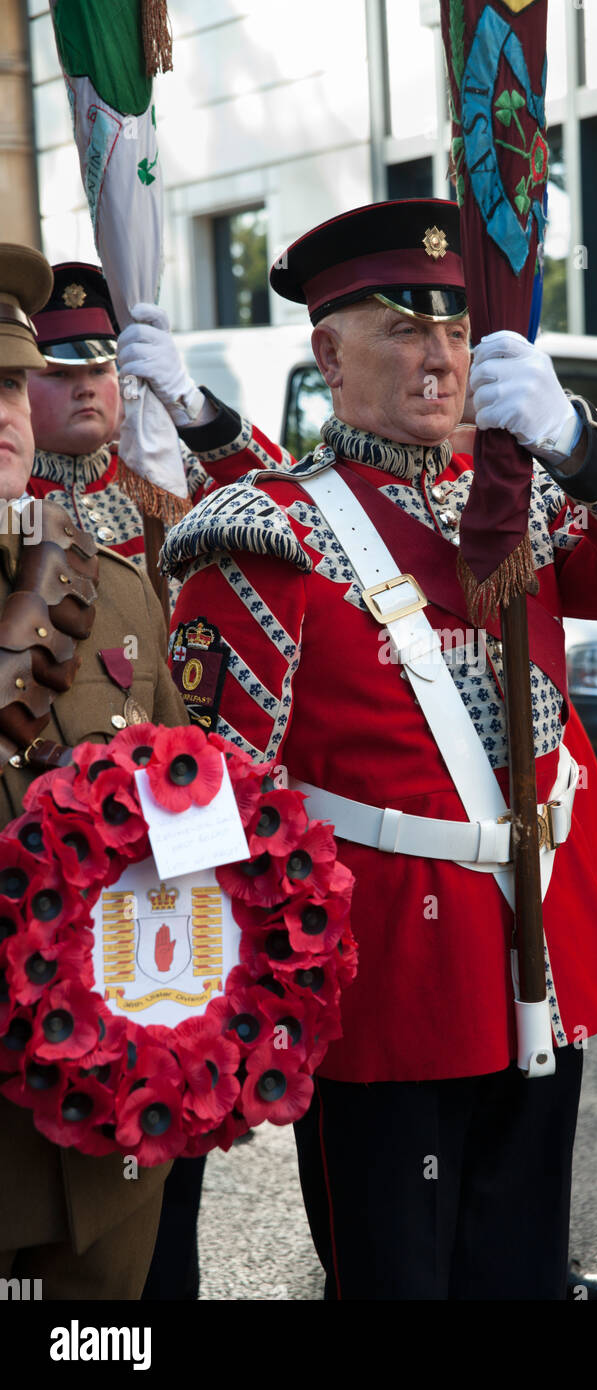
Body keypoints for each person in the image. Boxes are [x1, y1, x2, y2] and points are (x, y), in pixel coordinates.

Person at [130, 198, 597, 1300]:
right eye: (402, 326)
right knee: (396, 1277)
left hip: (537, 945)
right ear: (328, 354)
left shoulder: (518, 498)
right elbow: (212, 799)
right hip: (381, 976)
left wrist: (575, 442)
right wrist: (229, 1007)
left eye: (456, 328)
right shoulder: (269, 532)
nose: (437, 355)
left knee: (522, 1269)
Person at [0, 243, 188, 1298]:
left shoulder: (113, 590)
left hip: (104, 1129)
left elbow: (196, 817)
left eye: (6, 380)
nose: (7, 409)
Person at [26, 262, 290, 604]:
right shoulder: (13, 491)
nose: (85, 389)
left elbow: (286, 503)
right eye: (60, 375)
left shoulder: (162, 467)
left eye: (99, 370)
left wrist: (192, 405)